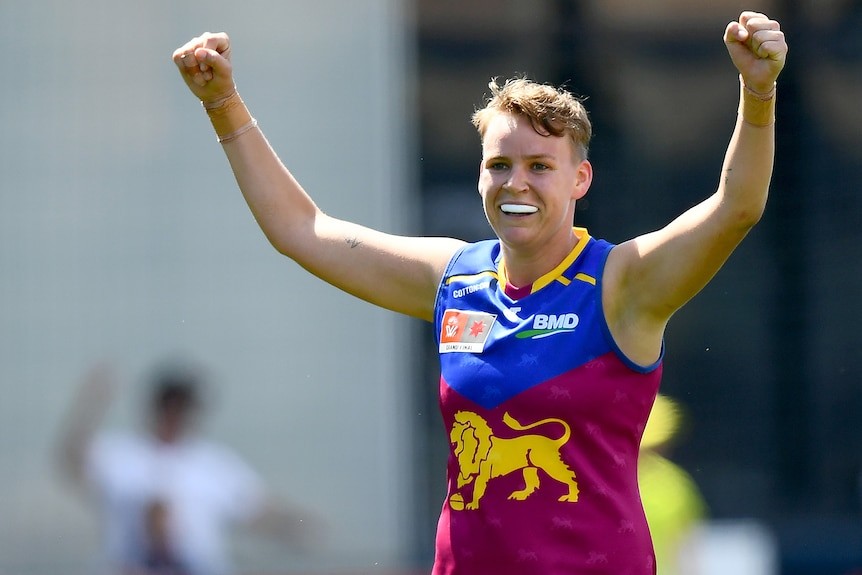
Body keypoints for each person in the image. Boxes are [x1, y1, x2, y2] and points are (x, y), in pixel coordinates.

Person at [171, 10, 786, 574]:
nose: (516, 182)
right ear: (480, 174)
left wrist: (758, 92)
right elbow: (302, 231)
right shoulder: (454, 279)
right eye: (500, 164)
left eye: (540, 167)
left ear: (580, 179)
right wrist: (223, 103)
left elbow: (736, 208)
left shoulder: (621, 283)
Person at [56, 361, 319, 575]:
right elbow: (70, 462)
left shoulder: (214, 464)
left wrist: (299, 526)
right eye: (170, 404)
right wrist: (89, 405)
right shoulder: (122, 454)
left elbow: (258, 512)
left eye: (183, 406)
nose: (176, 414)